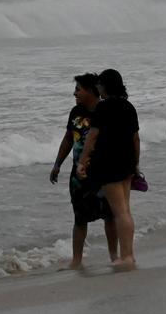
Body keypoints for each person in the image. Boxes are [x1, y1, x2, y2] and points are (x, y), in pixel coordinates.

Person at [50, 73, 118, 269]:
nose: (75, 93)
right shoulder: (75, 112)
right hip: (78, 176)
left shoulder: (105, 111)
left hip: (103, 173)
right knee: (79, 218)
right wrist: (57, 164)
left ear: (90, 90)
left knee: (110, 215)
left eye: (78, 89)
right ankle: (76, 261)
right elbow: (68, 139)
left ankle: (114, 256)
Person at [77, 69, 140, 271]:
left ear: (105, 86)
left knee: (119, 212)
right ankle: (129, 255)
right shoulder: (129, 107)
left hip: (109, 164)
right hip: (127, 162)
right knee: (126, 211)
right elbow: (135, 139)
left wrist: (82, 160)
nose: (98, 88)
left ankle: (127, 256)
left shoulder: (104, 108)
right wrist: (136, 163)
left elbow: (92, 136)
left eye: (100, 85)